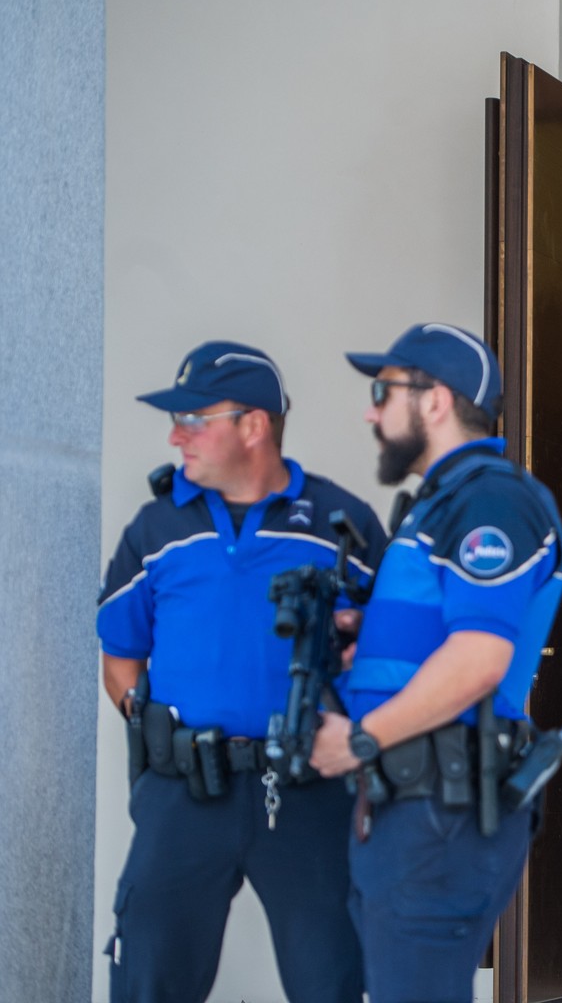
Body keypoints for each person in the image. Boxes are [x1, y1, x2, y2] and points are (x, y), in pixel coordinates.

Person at [98, 341, 385, 1003]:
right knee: (146, 979)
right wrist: (152, 725)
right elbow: (119, 652)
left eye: (194, 419)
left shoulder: (343, 525)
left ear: (253, 426)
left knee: (334, 981)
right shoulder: (156, 527)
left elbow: (391, 647)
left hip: (308, 794)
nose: (176, 436)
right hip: (184, 793)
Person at [309, 323, 562, 1003]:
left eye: (383, 391)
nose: (370, 411)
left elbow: (480, 659)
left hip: (439, 813)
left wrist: (361, 739)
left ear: (435, 401)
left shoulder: (490, 499)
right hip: (412, 807)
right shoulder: (444, 503)